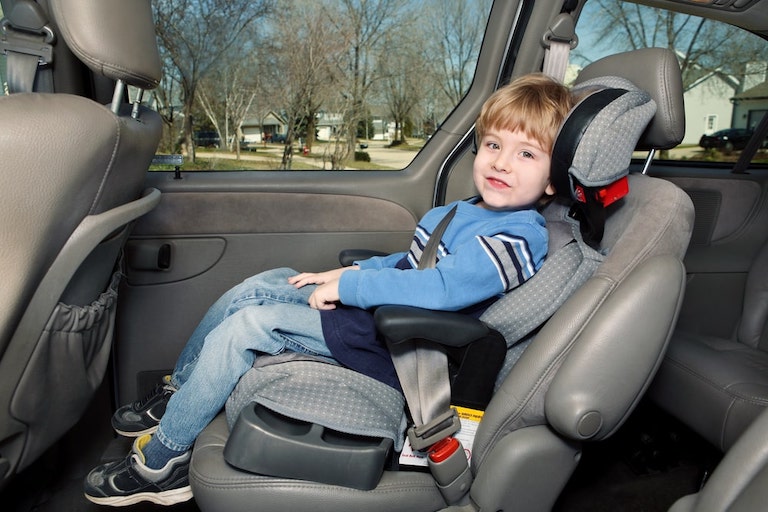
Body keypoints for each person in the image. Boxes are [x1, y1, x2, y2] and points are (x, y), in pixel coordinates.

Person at [83, 73, 573, 507]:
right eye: (493, 145)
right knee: (264, 282)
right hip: (382, 320)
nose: (502, 163)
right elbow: (409, 262)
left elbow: (441, 289)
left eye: (526, 154)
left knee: (250, 325)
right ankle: (180, 393)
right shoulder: (465, 211)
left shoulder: (520, 234)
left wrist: (356, 287)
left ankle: (163, 462)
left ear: (553, 180)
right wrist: (337, 277)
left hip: (406, 349)